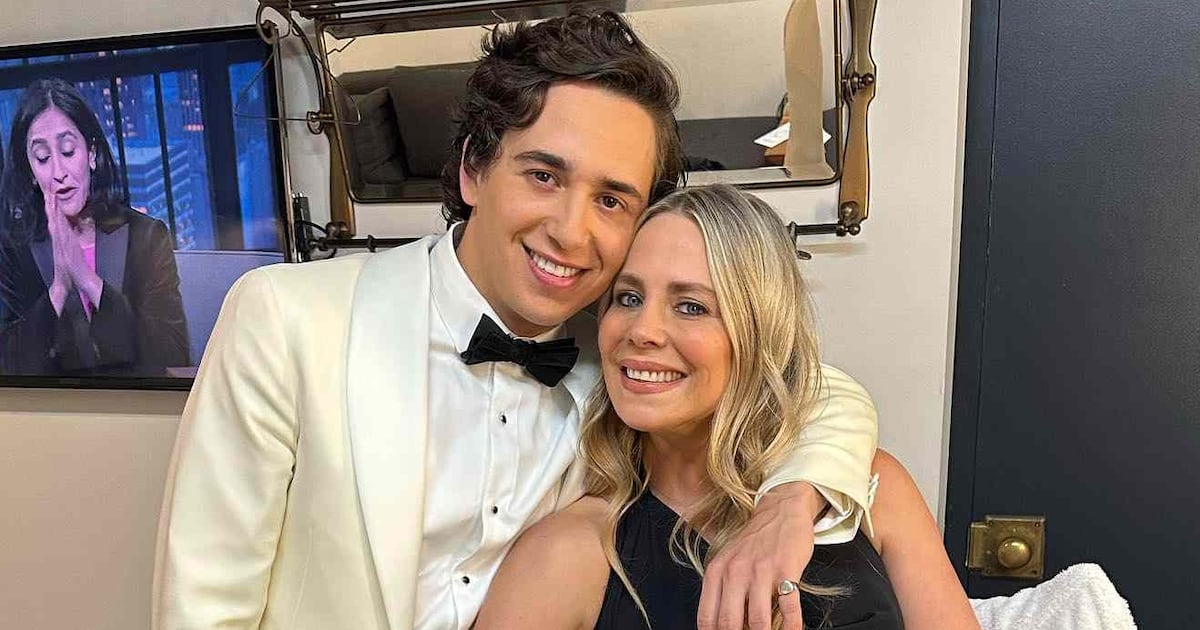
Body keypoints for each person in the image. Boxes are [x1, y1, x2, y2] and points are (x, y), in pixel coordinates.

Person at [153, 11, 877, 630]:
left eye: (612, 200)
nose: (570, 230)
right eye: (544, 176)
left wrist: (791, 500)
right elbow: (204, 608)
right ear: (474, 169)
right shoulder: (286, 317)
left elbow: (805, 386)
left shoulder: (624, 354)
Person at [475, 185, 981, 630]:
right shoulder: (565, 556)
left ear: (760, 333)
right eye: (628, 298)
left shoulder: (874, 490)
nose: (642, 331)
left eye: (691, 306)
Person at [0, 78, 188, 375]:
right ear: (32, 171)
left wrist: (87, 280)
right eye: (42, 158)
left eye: (68, 151)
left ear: (91, 153)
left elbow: (173, 353)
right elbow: (8, 366)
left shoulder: (146, 237)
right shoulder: (14, 249)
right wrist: (59, 289)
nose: (59, 172)